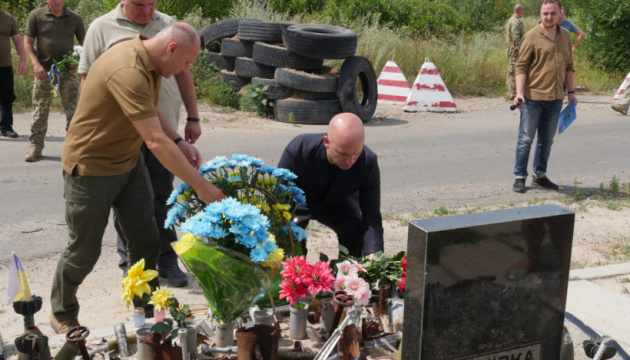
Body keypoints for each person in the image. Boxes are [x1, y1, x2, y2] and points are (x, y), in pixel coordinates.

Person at [50, 23, 225, 334]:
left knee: (146, 239)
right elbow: (154, 142)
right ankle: (62, 311)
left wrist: (179, 142)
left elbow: (151, 112)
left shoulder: (150, 61)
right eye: (186, 62)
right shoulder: (128, 67)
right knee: (84, 249)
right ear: (171, 49)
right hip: (91, 168)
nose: (186, 70)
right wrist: (202, 187)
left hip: (128, 164)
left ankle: (146, 308)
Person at [78, 0, 202, 287]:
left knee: (162, 197)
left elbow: (184, 71)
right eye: (139, 5)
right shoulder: (101, 28)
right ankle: (132, 265)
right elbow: (88, 80)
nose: (146, 11)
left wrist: (193, 117)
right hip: (125, 131)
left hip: (164, 128)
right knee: (128, 200)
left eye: (151, 4)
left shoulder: (169, 24)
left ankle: (167, 260)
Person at [277, 113, 384, 258]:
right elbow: (279, 201)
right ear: (327, 142)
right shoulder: (298, 150)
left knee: (354, 229)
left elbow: (372, 217)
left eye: (356, 154)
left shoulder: (367, 162)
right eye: (343, 154)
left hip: (338, 201)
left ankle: (348, 273)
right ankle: (297, 272)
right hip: (300, 200)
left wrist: (375, 257)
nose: (349, 162)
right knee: (292, 233)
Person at [512, 0, 577, 194]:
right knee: (526, 139)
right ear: (540, 14)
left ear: (560, 14)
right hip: (533, 98)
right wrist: (519, 93)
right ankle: (520, 176)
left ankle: (540, 175)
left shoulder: (565, 36)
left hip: (556, 98)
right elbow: (521, 66)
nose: (548, 17)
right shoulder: (531, 36)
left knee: (546, 140)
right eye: (545, 13)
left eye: (552, 13)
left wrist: (571, 93)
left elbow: (569, 66)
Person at [23, 0, 85, 162]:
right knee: (40, 110)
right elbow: (27, 43)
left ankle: (75, 148)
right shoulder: (36, 15)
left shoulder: (74, 18)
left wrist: (77, 59)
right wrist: (36, 64)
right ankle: (36, 146)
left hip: (68, 72)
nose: (57, 1)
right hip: (44, 71)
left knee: (73, 111)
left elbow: (84, 43)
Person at [0, 8, 28, 138]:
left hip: (4, 65)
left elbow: (17, 40)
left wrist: (23, 60)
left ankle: (6, 127)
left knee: (7, 97)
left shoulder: (8, 17)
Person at [505, 3, 525, 101]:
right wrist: (521, 50)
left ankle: (511, 93)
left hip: (513, 51)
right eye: (522, 11)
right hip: (514, 52)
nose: (523, 13)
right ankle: (511, 95)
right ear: (519, 11)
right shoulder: (514, 23)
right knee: (513, 72)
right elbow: (516, 39)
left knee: (512, 72)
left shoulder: (515, 21)